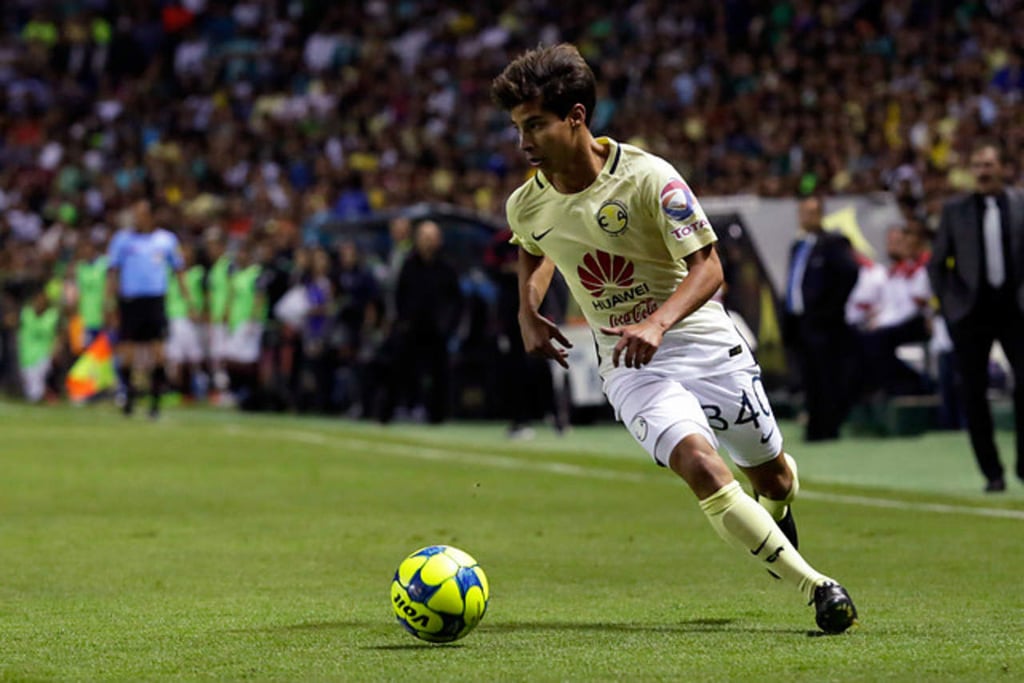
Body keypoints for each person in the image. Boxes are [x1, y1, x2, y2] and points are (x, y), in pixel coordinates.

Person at [491, 43, 857, 634]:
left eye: (534, 124)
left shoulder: (649, 178)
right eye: (516, 127)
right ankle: (817, 587)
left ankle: (777, 509)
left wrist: (658, 321)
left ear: (576, 118)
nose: (522, 140)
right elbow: (533, 251)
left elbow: (710, 268)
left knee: (773, 476)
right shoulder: (525, 203)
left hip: (702, 341)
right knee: (701, 465)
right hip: (630, 363)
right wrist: (527, 311)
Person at [929, 140, 1024, 493]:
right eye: (978, 165)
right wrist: (951, 307)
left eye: (989, 165)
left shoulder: (1019, 204)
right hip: (970, 313)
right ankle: (992, 473)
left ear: (1002, 168)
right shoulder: (956, 211)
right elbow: (937, 263)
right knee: (974, 393)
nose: (983, 172)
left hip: (1016, 310)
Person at [782, 195, 860, 441]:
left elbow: (850, 273)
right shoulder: (798, 246)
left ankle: (828, 427)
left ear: (821, 214)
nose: (806, 218)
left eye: (811, 213)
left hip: (824, 323)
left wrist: (830, 307)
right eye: (803, 213)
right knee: (808, 377)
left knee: (827, 376)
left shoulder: (833, 243)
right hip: (799, 321)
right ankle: (814, 426)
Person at [105, 199, 191, 418]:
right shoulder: (122, 240)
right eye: (135, 214)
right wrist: (109, 302)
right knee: (127, 353)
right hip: (130, 301)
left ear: (151, 216)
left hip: (155, 301)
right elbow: (113, 272)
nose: (137, 218)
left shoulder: (166, 240)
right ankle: (129, 396)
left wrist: (188, 300)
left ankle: (155, 401)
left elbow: (179, 269)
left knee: (158, 352)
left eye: (141, 214)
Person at [381, 220, 463, 424]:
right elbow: (400, 294)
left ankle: (438, 415)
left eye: (431, 237)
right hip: (411, 327)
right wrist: (402, 320)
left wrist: (449, 325)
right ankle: (389, 411)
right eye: (424, 237)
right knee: (398, 368)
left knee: (439, 374)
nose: (428, 242)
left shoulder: (447, 267)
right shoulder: (409, 265)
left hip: (438, 329)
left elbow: (456, 300)